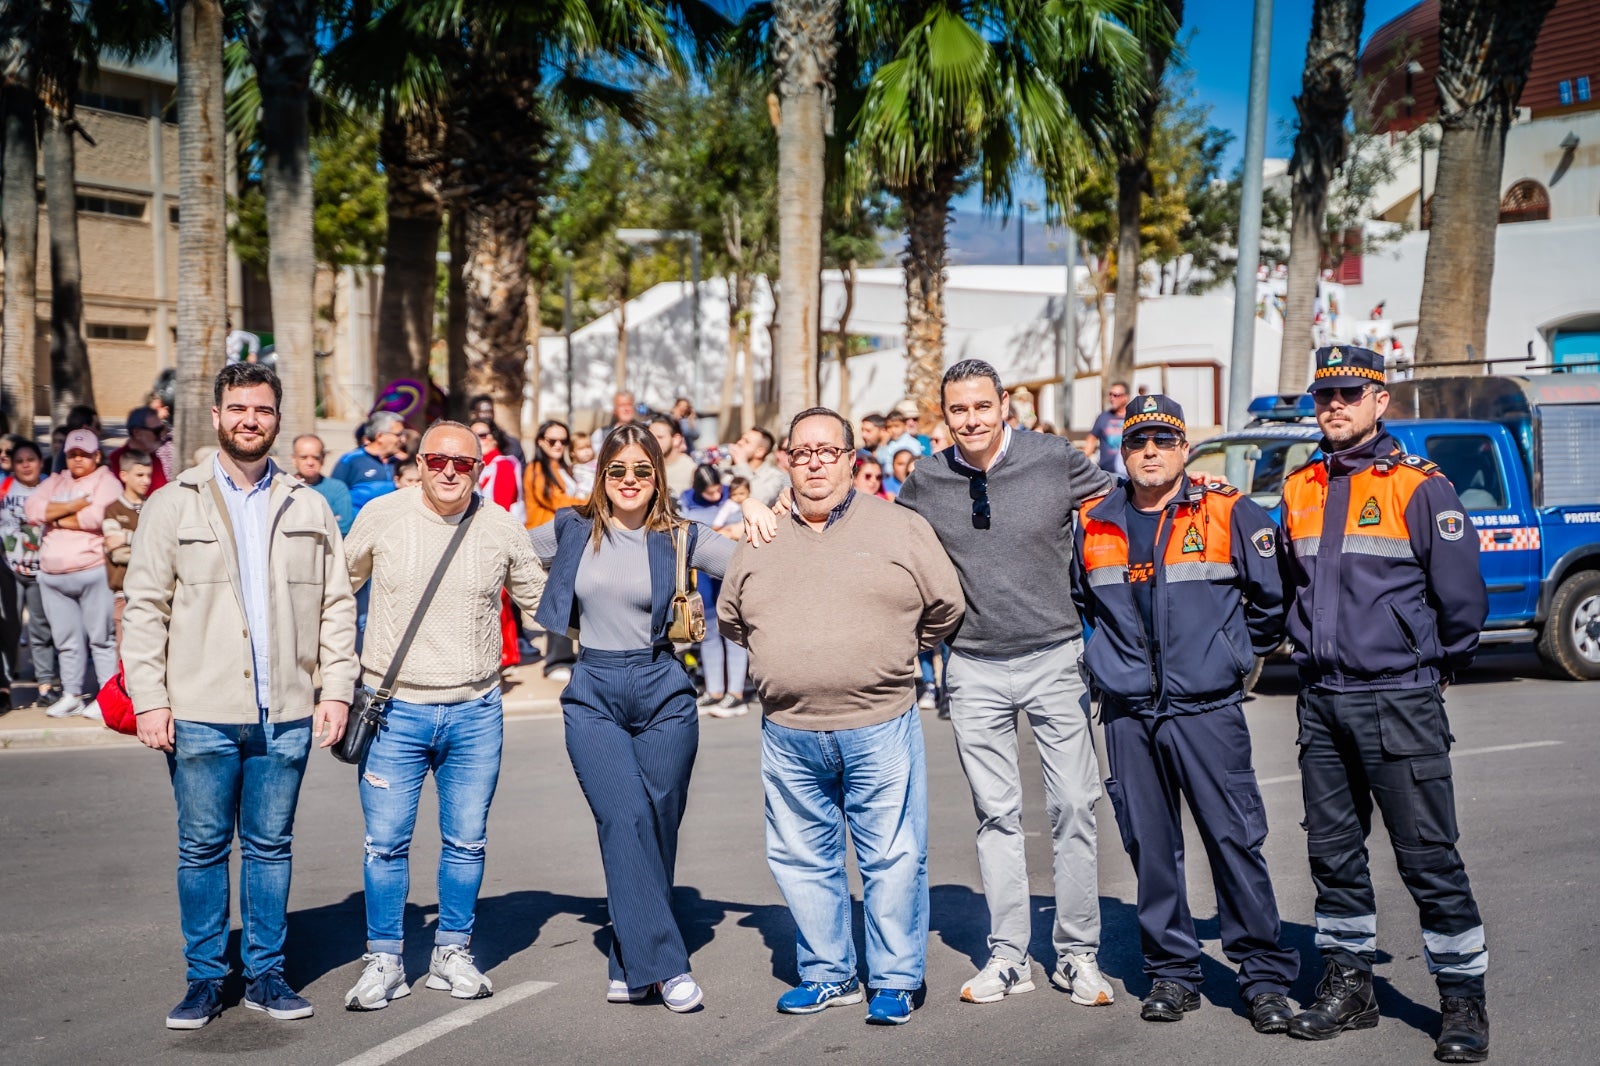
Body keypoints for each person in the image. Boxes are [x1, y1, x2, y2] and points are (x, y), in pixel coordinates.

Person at [122, 362, 357, 1031]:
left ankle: (266, 974)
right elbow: (143, 608)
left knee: (270, 846)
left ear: (277, 419)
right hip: (198, 710)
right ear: (218, 415)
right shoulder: (174, 502)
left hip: (284, 711)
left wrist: (335, 689)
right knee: (200, 849)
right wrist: (150, 698)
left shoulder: (308, 505)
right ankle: (204, 980)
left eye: (262, 409)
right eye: (237, 408)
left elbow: (337, 607)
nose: (250, 419)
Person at [1279, 346, 1491, 1062]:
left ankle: (1463, 1002)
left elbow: (1463, 601)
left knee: (1429, 859)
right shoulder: (1300, 485)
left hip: (1398, 698)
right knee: (1333, 858)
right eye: (1323, 395)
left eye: (1349, 393)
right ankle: (1349, 988)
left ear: (1380, 401)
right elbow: (1289, 584)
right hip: (1322, 701)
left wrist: (1429, 666)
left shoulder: (1420, 486)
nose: (1333, 405)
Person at [723, 408, 964, 1026]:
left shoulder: (900, 528)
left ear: (852, 460)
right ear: (786, 462)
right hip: (789, 730)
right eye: (802, 453)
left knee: (892, 857)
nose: (815, 463)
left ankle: (894, 979)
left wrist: (886, 657)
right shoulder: (761, 537)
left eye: (827, 452)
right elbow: (732, 618)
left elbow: (944, 608)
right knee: (803, 860)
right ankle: (829, 974)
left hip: (879, 721)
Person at [892, 359, 1118, 1007]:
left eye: (981, 408)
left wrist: (1198, 486)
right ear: (946, 415)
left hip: (1056, 657)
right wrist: (763, 511)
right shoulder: (927, 479)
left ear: (1003, 407)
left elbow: (1128, 500)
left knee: (1075, 805)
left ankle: (1077, 954)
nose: (971, 421)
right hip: (972, 665)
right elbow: (885, 539)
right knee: (996, 815)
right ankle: (1009, 957)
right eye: (958, 410)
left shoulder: (1054, 460)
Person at [1073, 395, 1298, 1033]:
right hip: (1128, 712)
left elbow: (1271, 600)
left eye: (1164, 441)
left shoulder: (1227, 509)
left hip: (1207, 710)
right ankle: (1172, 973)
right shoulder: (1093, 520)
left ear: (1184, 450)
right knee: (1151, 848)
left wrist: (1228, 657)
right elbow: (1081, 600)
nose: (1150, 451)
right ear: (1123, 450)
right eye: (1139, 440)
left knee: (1234, 841)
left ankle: (1263, 977)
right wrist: (1107, 661)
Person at [341, 421, 547, 1011]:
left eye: (463, 463)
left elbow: (544, 603)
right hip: (394, 708)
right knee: (385, 844)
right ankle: (384, 958)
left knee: (467, 842)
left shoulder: (501, 527)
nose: (450, 472)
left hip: (476, 710)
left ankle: (451, 950)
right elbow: (334, 590)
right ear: (419, 462)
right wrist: (330, 675)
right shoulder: (382, 515)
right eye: (437, 460)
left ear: (481, 467)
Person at [529, 424, 735, 1013]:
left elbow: (748, 563)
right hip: (593, 689)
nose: (629, 481)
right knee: (624, 819)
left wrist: (771, 521)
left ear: (657, 477)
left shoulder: (679, 536)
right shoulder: (571, 529)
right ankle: (667, 968)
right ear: (601, 476)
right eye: (617, 470)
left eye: (642, 470)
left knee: (658, 827)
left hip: (664, 689)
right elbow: (500, 550)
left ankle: (628, 959)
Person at [26, 429, 122, 718]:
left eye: (83, 454)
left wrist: (55, 516)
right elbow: (32, 509)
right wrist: (73, 505)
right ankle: (72, 694)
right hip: (53, 576)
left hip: (92, 570)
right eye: (72, 454)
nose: (77, 459)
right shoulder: (56, 481)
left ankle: (107, 698)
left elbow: (99, 515)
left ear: (96, 455)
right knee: (66, 640)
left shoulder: (107, 480)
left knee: (101, 638)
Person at [679, 465, 748, 719]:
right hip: (703, 575)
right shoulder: (687, 500)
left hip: (730, 572)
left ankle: (736, 693)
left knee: (733, 631)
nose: (716, 494)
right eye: (709, 492)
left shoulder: (735, 495)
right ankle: (715, 689)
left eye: (718, 488)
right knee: (708, 632)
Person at [524, 420, 584, 683]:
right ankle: (557, 659)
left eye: (563, 441)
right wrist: (593, 501)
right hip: (549, 542)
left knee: (578, 599)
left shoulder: (567, 469)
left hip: (571, 540)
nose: (558, 446)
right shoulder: (535, 470)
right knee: (559, 600)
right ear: (540, 442)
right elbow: (557, 502)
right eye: (552, 441)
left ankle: (578, 656)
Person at [0, 439, 57, 709]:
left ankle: (45, 685)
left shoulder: (50, 487)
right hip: (8, 571)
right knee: (8, 629)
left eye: (30, 460)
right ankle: (4, 686)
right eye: (20, 461)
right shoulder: (4, 487)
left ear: (40, 462)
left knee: (40, 628)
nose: (25, 465)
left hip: (41, 570)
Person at [102, 448, 153, 651]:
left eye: (149, 475)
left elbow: (164, 546)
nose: (146, 481)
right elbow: (117, 552)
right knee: (124, 656)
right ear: (123, 475)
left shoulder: (155, 505)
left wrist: (126, 536)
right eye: (140, 475)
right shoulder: (113, 509)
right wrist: (148, 545)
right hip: (123, 594)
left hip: (151, 591)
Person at [333, 411, 403, 514]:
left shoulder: (400, 462)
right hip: (358, 526)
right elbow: (335, 494)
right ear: (380, 436)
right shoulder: (351, 460)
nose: (402, 439)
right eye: (398, 434)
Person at [292, 434, 355, 536]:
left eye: (315, 457)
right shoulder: (285, 488)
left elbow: (344, 525)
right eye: (304, 457)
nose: (310, 462)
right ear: (294, 459)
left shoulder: (337, 488)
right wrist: (328, 520)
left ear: (323, 458)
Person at [109, 406, 171, 494]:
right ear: (137, 433)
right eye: (157, 431)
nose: (161, 435)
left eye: (162, 429)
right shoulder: (115, 460)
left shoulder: (155, 459)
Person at [726, 426, 786, 507]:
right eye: (741, 439)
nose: (739, 442)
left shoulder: (775, 476)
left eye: (746, 441)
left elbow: (761, 501)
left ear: (759, 452)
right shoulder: (728, 470)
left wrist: (741, 464)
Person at [1085, 382, 1131, 476]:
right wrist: (1079, 459)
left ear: (1125, 397)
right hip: (1106, 474)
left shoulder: (1132, 418)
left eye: (1116, 395)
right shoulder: (1102, 417)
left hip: (1128, 473)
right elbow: (1091, 441)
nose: (1112, 398)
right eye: (1110, 394)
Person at [648, 414, 697, 497]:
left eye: (660, 437)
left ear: (676, 440)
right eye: (651, 437)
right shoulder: (646, 466)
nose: (654, 442)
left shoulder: (691, 469)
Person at [468, 394, 525, 465]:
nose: (488, 416)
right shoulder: (466, 439)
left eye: (490, 411)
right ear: (473, 414)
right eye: (484, 412)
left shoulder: (509, 443)